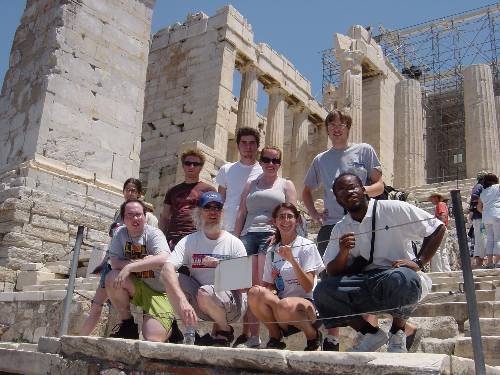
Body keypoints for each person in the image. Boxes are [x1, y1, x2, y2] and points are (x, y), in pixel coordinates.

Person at [314, 173, 445, 353]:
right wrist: (343, 252)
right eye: (342, 190)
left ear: (363, 189)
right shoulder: (341, 227)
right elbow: (332, 271)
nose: (349, 192)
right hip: (364, 283)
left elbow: (437, 227)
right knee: (323, 291)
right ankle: (369, 333)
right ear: (337, 198)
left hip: (395, 278)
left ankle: (398, 332)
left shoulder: (393, 209)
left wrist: (419, 261)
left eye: (352, 187)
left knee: (403, 277)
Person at [302, 109, 384, 351]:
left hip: (362, 221)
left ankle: (370, 333)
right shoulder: (320, 159)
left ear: (348, 127)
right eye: (332, 125)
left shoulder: (364, 150)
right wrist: (315, 214)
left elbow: (379, 185)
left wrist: (358, 193)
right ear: (327, 129)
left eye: (342, 124)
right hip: (332, 225)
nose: (337, 128)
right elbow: (306, 191)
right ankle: (332, 337)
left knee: (366, 274)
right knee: (329, 280)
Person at [160, 191, 247, 347]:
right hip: (200, 302)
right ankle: (190, 331)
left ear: (223, 212)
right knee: (169, 277)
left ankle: (225, 331)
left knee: (205, 292)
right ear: (199, 211)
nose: (213, 212)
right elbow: (167, 268)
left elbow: (243, 286)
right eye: (208, 207)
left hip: (231, 307)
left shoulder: (234, 243)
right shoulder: (189, 241)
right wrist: (182, 301)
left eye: (217, 208)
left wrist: (220, 266)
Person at [232, 146, 297, 348]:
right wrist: (234, 240)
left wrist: (279, 236)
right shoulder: (250, 184)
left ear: (280, 164)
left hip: (269, 237)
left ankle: (260, 336)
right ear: (260, 162)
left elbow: (292, 214)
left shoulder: (286, 184)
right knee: (243, 287)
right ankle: (248, 335)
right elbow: (241, 213)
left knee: (259, 287)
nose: (270, 164)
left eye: (275, 160)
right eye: (266, 159)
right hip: (246, 236)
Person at [80, 178, 158, 336]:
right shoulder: (118, 214)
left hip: (134, 265)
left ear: (139, 194)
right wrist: (103, 262)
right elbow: (114, 241)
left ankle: (139, 331)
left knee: (141, 304)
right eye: (127, 190)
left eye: (134, 190)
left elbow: (151, 242)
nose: (130, 193)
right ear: (123, 192)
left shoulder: (148, 217)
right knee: (97, 303)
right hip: (112, 263)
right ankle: (78, 339)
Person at [247, 203, 324, 351]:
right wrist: (272, 290)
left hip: (307, 305)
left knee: (285, 305)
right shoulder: (272, 250)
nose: (285, 221)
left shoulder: (306, 246)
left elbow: (308, 286)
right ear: (275, 222)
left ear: (297, 220)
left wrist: (292, 260)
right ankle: (275, 337)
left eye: (290, 216)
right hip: (282, 305)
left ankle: (312, 335)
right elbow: (268, 285)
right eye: (281, 217)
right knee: (255, 292)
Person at [105, 199, 174, 341]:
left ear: (145, 216)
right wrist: (146, 262)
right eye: (130, 215)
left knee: (153, 337)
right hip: (137, 286)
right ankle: (127, 324)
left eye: (139, 215)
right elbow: (114, 262)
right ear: (123, 219)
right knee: (112, 277)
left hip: (160, 292)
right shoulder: (120, 234)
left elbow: (164, 258)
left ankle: (173, 328)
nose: (135, 219)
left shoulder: (154, 234)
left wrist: (131, 266)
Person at [159, 149, 215, 248]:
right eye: (188, 163)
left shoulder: (209, 190)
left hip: (197, 238)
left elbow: (214, 217)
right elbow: (165, 217)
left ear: (201, 167)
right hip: (173, 238)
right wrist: (160, 238)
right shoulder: (172, 191)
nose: (191, 166)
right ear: (183, 166)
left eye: (195, 164)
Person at [215, 127, 262, 233]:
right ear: (237, 146)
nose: (248, 146)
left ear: (258, 146)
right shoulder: (226, 169)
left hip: (252, 230)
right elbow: (220, 200)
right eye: (244, 143)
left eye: (252, 143)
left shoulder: (264, 172)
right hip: (228, 227)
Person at [478, 173, 500, 268]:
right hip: (497, 214)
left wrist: (485, 212)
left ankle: (490, 262)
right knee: (498, 238)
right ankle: (497, 262)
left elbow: (479, 207)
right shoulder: (498, 187)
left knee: (490, 239)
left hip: (486, 217)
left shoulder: (483, 192)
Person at [428, 192, 452, 272]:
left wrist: (438, 224)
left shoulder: (440, 205)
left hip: (440, 228)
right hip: (443, 228)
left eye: (432, 198)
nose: (431, 200)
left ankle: (437, 270)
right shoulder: (443, 204)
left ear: (436, 197)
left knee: (436, 250)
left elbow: (443, 216)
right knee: (442, 250)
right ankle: (446, 270)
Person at [469, 171, 488, 268]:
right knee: (483, 237)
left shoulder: (479, 186)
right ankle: (484, 261)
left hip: (478, 218)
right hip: (480, 219)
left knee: (480, 239)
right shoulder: (479, 186)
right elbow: (474, 197)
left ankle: (479, 262)